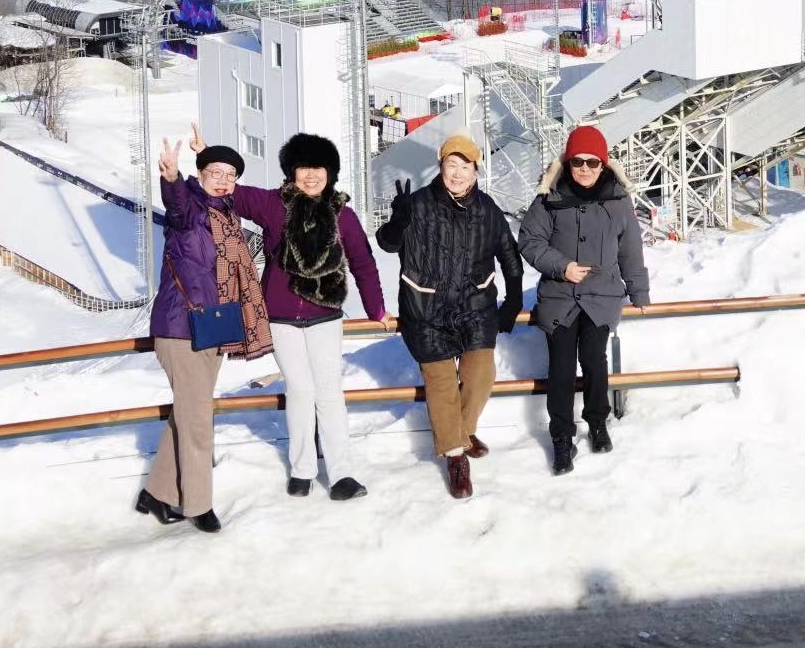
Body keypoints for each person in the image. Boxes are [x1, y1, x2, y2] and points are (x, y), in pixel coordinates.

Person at [189, 126, 389, 501]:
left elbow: (363, 262)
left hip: (326, 315)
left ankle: (342, 473)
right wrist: (206, 158)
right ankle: (302, 469)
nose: (311, 176)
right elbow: (228, 190)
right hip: (280, 316)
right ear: (291, 172)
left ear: (330, 173)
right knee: (299, 390)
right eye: (303, 168)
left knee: (329, 393)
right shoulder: (272, 205)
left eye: (319, 169)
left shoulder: (342, 214)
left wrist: (376, 307)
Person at [376, 134, 523, 499]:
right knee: (441, 383)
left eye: (465, 167)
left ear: (476, 171)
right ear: (441, 167)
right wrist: (398, 221)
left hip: (474, 306)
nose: (457, 173)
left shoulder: (487, 209)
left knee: (481, 373)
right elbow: (388, 243)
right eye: (451, 165)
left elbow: (509, 254)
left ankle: (462, 428)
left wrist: (514, 298)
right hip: (425, 308)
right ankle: (456, 456)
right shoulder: (418, 204)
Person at [140, 137, 272, 534]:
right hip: (181, 329)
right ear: (201, 175)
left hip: (215, 325)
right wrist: (171, 177)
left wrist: (206, 151)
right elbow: (177, 203)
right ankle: (198, 503)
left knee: (189, 411)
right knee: (199, 419)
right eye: (215, 173)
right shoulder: (191, 212)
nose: (222, 180)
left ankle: (156, 492)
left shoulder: (228, 215)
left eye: (230, 176)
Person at [518, 124, 648, 476]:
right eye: (578, 162)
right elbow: (529, 241)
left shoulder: (618, 201)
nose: (586, 169)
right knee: (560, 368)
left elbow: (630, 248)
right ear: (568, 162)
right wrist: (562, 267)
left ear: (603, 165)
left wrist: (639, 289)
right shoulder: (549, 198)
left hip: (601, 295)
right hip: (560, 297)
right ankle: (562, 437)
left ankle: (597, 421)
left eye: (593, 163)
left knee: (594, 359)